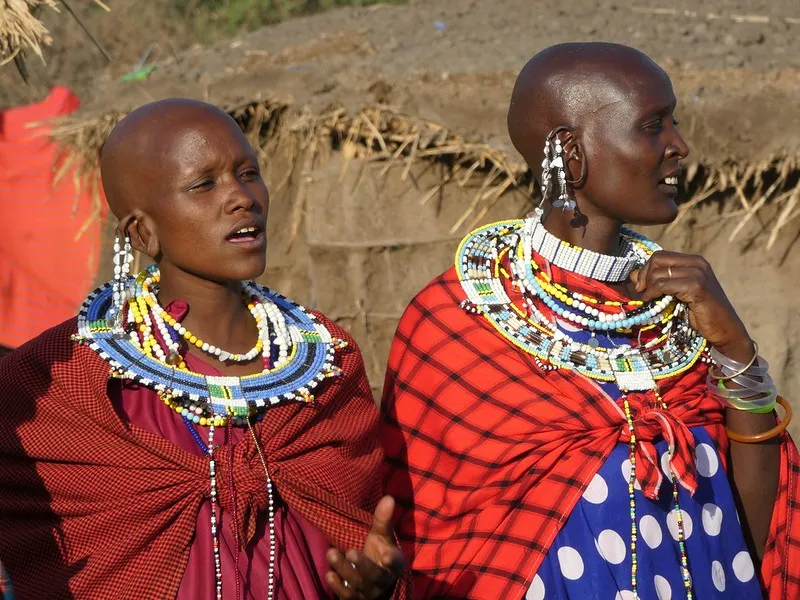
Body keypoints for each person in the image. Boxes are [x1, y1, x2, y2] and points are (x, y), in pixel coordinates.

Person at [380, 42, 800, 599]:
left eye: (673, 122)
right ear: (570, 153)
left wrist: (732, 345)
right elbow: (437, 540)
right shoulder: (454, 323)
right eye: (653, 126)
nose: (680, 146)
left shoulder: (683, 310)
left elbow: (749, 529)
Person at [0, 99, 409, 600]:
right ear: (143, 232)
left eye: (248, 172)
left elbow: (354, 537)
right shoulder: (63, 383)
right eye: (205, 184)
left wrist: (370, 587)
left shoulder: (327, 360)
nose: (242, 198)